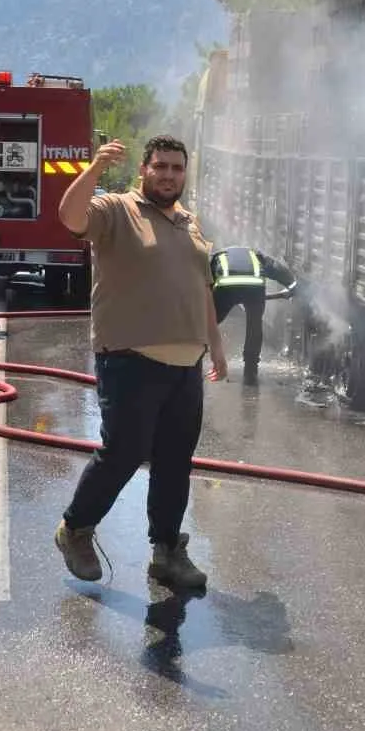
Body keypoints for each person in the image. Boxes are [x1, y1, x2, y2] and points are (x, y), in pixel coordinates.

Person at [52, 133, 229, 590]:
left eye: (176, 167)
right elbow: (69, 217)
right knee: (124, 453)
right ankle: (75, 530)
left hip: (186, 364)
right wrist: (92, 169)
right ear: (144, 170)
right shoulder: (116, 209)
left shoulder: (189, 222)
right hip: (130, 358)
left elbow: (201, 287)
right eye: (161, 166)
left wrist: (217, 344)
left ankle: (167, 551)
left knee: (175, 461)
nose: (169, 175)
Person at [210, 245, 297, 385]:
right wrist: (292, 287)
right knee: (254, 327)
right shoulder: (257, 256)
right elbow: (278, 269)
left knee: (210, 322)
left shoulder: (216, 257)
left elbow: (205, 279)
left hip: (225, 289)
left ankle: (195, 357)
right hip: (254, 289)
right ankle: (251, 371)